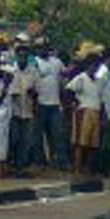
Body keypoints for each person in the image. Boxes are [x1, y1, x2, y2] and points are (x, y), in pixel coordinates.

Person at [66, 47, 104, 176]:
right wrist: (75, 103)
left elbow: (101, 99)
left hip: (96, 111)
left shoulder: (99, 81)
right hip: (84, 111)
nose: (96, 69)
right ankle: (77, 168)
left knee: (93, 144)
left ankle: (87, 168)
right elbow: (68, 90)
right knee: (80, 143)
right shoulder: (81, 78)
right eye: (95, 66)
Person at [32, 42, 68, 171]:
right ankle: (40, 162)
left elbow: (64, 76)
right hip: (39, 103)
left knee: (58, 134)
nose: (44, 49)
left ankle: (60, 161)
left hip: (55, 103)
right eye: (41, 47)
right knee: (37, 135)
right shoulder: (34, 61)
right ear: (37, 49)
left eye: (46, 47)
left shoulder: (57, 62)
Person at [6, 43, 38, 176]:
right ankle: (10, 165)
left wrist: (33, 93)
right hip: (13, 111)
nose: (22, 58)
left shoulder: (33, 72)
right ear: (16, 56)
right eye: (20, 55)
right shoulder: (9, 71)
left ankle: (21, 167)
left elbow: (38, 90)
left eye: (25, 56)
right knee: (13, 139)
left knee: (26, 141)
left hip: (28, 110)